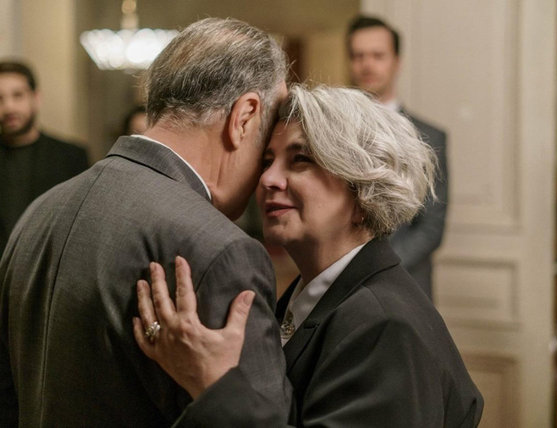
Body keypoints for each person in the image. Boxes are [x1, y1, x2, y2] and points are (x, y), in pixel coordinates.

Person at [0, 18, 290, 427]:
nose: (268, 171)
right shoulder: (222, 250)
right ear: (245, 117)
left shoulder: (38, 212)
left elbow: (4, 397)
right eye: (268, 139)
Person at [134, 85, 484, 427]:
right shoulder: (313, 294)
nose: (268, 179)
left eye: (300, 160)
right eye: (267, 161)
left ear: (364, 191)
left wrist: (213, 384)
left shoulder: (384, 325)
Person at [0, 60, 88, 428]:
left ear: (35, 97)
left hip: (53, 305)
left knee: (53, 410)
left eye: (17, 95)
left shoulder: (71, 157)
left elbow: (80, 226)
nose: (8, 106)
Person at [347, 15, 448, 298]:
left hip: (407, 283)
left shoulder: (430, 137)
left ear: (397, 62)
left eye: (378, 55)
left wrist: (377, 268)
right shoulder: (333, 133)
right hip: (341, 284)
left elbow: (432, 226)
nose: (367, 64)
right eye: (358, 56)